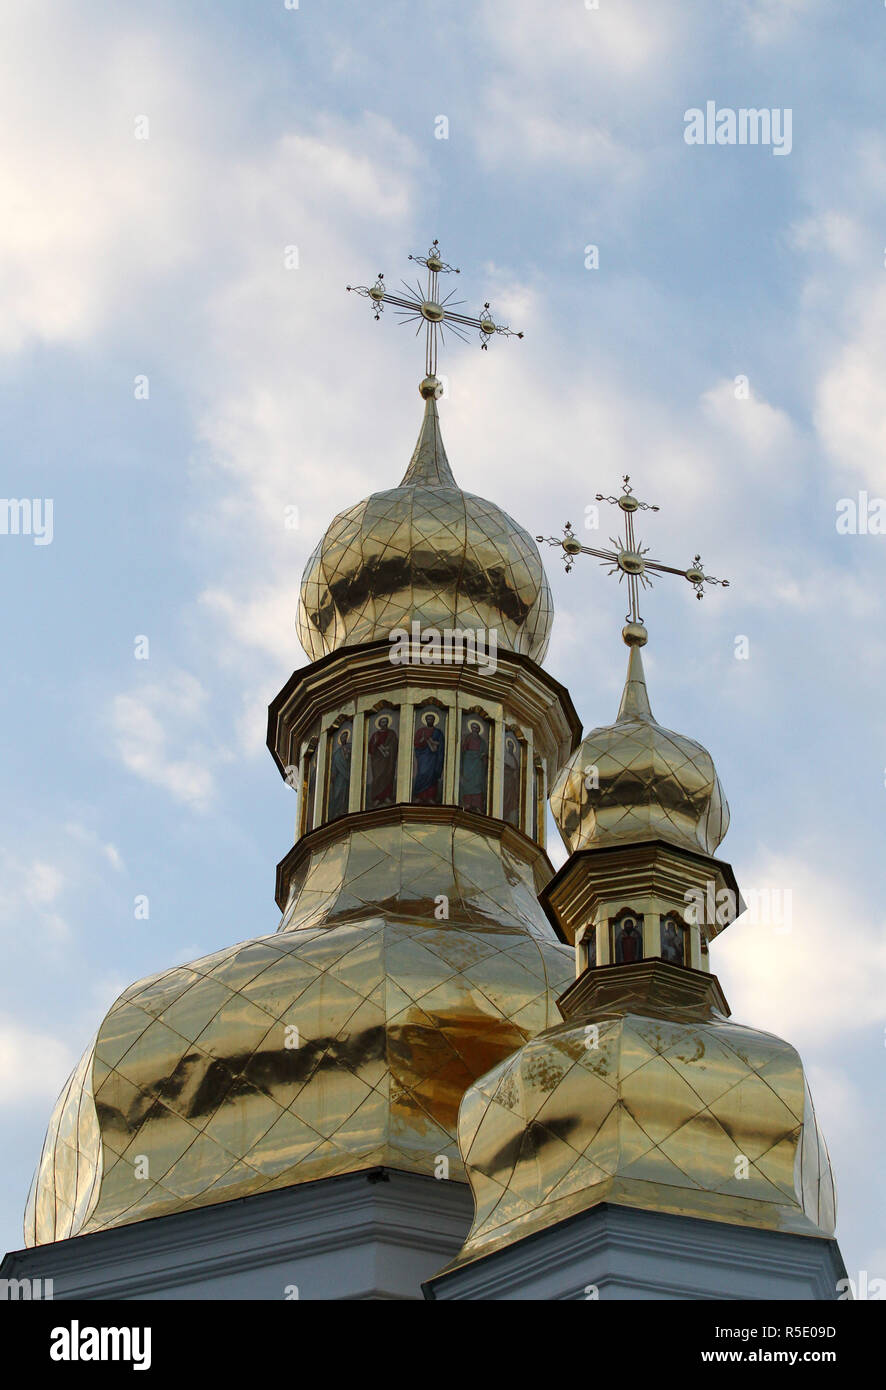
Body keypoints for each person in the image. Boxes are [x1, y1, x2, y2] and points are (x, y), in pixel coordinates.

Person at [412, 712, 445, 803]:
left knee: (432, 776)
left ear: (434, 721)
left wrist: (434, 743)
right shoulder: (421, 731)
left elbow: (441, 745)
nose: (430, 721)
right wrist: (423, 740)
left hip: (434, 758)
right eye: (428, 719)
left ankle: (430, 797)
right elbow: (416, 743)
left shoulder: (438, 732)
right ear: (426, 720)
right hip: (423, 757)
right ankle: (419, 796)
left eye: (431, 719)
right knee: (422, 773)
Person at [367, 714, 398, 808]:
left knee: (388, 776)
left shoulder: (391, 733)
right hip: (378, 761)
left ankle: (387, 796)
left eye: (385, 722)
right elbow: (370, 748)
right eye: (382, 722)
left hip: (389, 759)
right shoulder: (375, 735)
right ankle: (377, 798)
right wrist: (376, 746)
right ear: (379, 723)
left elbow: (395, 745)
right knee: (378, 776)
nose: (384, 724)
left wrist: (389, 748)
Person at [460, 719, 488, 812]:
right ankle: (467, 804)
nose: (475, 729)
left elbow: (484, 753)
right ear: (471, 729)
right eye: (473, 728)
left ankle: (476, 805)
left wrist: (483, 757)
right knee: (468, 784)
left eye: (476, 728)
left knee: (477, 784)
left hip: (478, 765)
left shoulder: (482, 742)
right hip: (468, 763)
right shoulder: (467, 738)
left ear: (478, 730)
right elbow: (463, 750)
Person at [328, 728, 351, 819]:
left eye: (345, 737)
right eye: (342, 737)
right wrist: (333, 775)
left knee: (346, 793)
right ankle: (338, 810)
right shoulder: (336, 753)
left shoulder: (350, 747)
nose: (343, 739)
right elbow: (334, 766)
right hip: (339, 777)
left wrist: (348, 756)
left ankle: (345, 809)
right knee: (338, 793)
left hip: (348, 774)